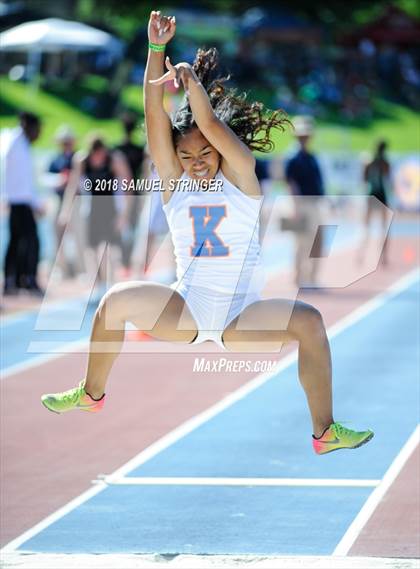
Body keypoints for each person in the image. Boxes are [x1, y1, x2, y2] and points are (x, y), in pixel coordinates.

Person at [41, 11, 373, 456]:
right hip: (187, 310)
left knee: (309, 322)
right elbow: (152, 113)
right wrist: (155, 51)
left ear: (218, 150)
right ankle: (91, 393)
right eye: (186, 153)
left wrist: (194, 86)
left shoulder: (242, 179)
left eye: (204, 152)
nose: (196, 160)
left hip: (240, 314)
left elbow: (212, 127)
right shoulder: (174, 185)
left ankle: (324, 431)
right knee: (111, 303)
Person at [58, 136, 132, 300]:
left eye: (100, 155)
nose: (98, 159)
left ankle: (112, 285)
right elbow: (72, 187)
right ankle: (97, 285)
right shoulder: (82, 160)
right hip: (92, 208)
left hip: (112, 207)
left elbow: (128, 184)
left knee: (111, 250)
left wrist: (124, 215)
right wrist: (65, 211)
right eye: (95, 156)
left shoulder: (114, 159)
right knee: (91, 249)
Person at [3, 112, 44, 296]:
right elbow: (19, 180)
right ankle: (24, 280)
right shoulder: (15, 144)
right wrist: (35, 203)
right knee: (29, 241)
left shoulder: (19, 144)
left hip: (20, 200)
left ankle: (17, 280)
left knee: (18, 241)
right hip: (18, 201)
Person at [285, 116, 325, 288]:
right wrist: (295, 207)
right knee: (301, 243)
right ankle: (299, 279)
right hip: (300, 205)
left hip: (315, 205)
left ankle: (311, 278)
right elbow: (290, 184)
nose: (305, 138)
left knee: (316, 242)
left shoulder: (312, 157)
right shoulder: (293, 158)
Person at [48, 125, 86, 278]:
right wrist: (59, 180)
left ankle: (81, 269)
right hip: (59, 199)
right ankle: (61, 269)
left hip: (77, 201)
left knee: (79, 235)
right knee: (57, 235)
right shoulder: (56, 160)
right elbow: (47, 178)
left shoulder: (79, 158)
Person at [114, 113, 145, 274]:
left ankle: (125, 261)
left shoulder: (116, 149)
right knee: (132, 227)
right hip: (136, 192)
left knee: (121, 227)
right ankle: (128, 262)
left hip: (120, 193)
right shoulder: (139, 150)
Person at [362, 140, 392, 265]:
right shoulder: (382, 162)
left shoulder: (371, 161)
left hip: (373, 194)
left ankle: (365, 253)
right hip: (379, 194)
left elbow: (364, 178)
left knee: (368, 225)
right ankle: (380, 256)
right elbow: (387, 174)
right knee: (382, 226)